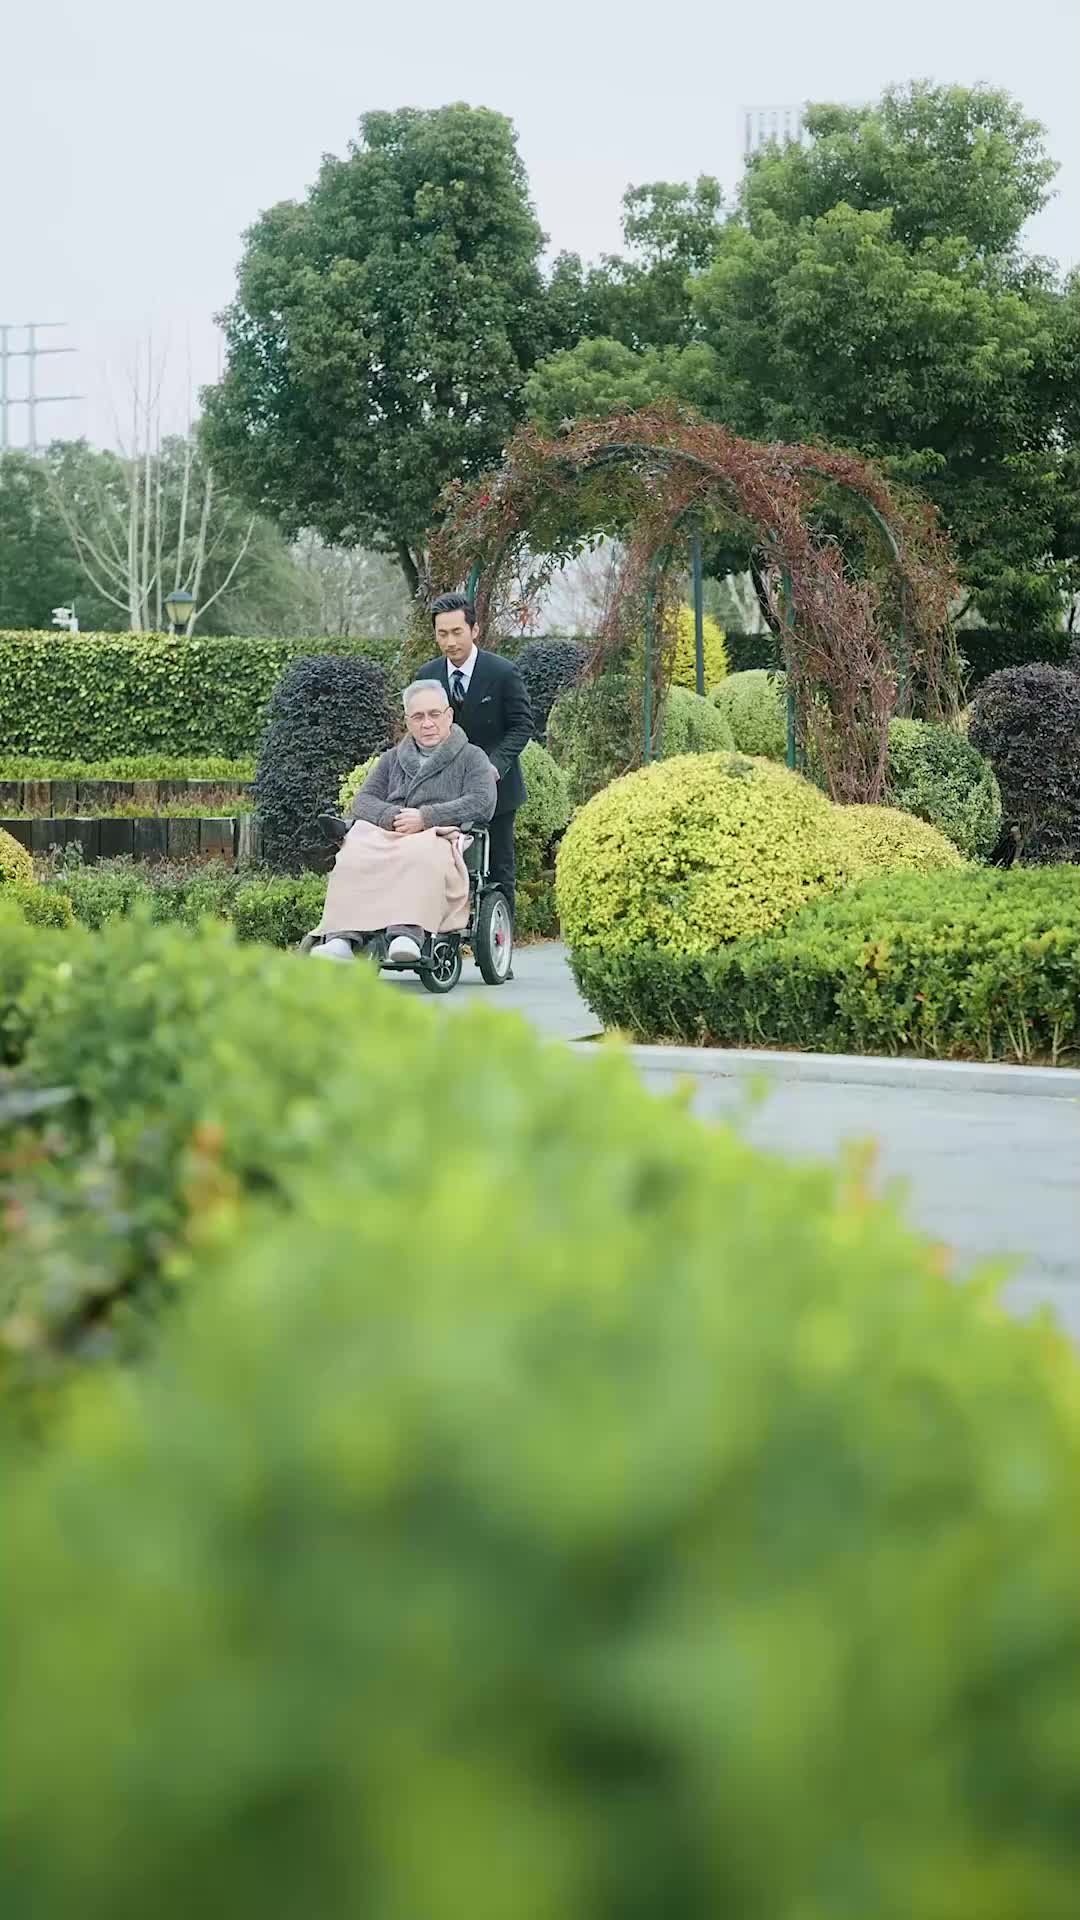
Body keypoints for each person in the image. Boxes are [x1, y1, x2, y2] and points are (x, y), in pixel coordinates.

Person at [305, 680, 496, 963]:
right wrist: (392, 817)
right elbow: (363, 800)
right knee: (353, 853)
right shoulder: (392, 759)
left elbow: (482, 801)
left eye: (434, 714)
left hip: (438, 835)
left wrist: (426, 817)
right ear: (408, 722)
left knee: (418, 853)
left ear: (449, 716)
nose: (427, 723)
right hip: (391, 832)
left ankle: (406, 934)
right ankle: (341, 938)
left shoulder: (471, 757)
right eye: (418, 717)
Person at [416, 593, 533, 923]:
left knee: (498, 868)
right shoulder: (426, 676)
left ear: (474, 630)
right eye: (442, 634)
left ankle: (499, 941)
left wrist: (494, 766)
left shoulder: (503, 672)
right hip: (442, 792)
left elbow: (523, 725)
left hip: (497, 792)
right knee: (438, 865)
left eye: (457, 632)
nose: (450, 642)